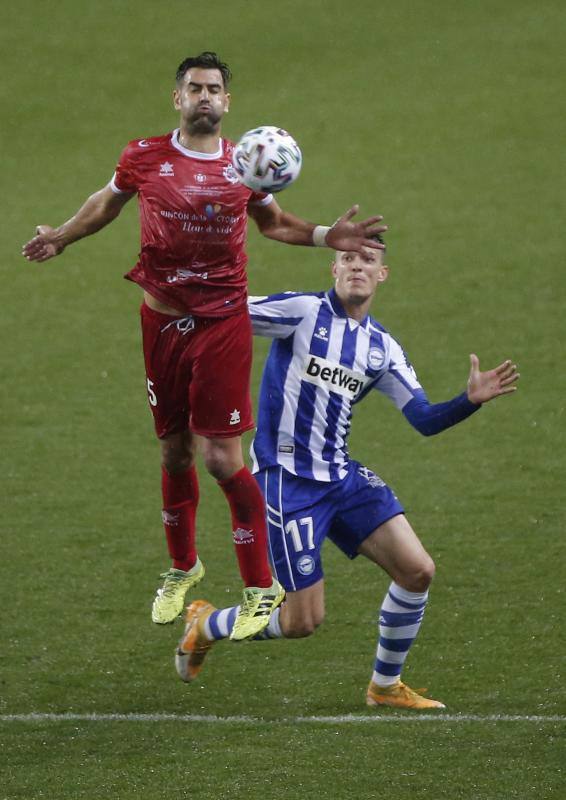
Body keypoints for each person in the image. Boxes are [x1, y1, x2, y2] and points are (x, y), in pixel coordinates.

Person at [21, 52, 386, 640]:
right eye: (195, 89)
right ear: (177, 98)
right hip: (161, 322)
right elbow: (106, 202)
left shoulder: (246, 163)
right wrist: (61, 237)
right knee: (173, 453)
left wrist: (325, 237)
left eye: (215, 89)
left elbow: (274, 224)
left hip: (220, 323)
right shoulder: (143, 156)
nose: (205, 98)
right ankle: (183, 567)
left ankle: (261, 586)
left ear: (227, 101)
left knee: (221, 458)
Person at [175, 234, 519, 708]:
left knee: (417, 571)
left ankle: (384, 686)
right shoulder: (301, 312)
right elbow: (231, 313)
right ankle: (206, 624)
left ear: (382, 274)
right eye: (348, 258)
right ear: (333, 269)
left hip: (341, 478)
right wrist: (189, 283)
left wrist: (468, 401)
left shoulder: (382, 348)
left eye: (368, 260)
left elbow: (422, 419)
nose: (358, 266)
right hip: (285, 484)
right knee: (301, 623)